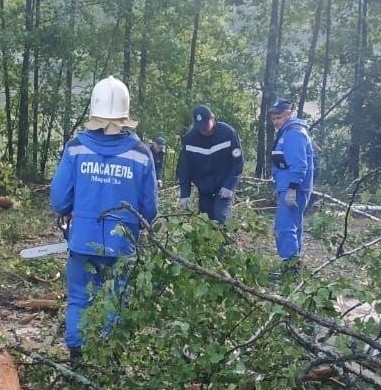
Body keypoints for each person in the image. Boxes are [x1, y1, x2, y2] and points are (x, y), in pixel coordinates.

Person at [49, 76, 158, 362]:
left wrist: (74, 209)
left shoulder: (76, 149)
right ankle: (109, 358)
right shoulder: (141, 154)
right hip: (122, 243)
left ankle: (77, 353)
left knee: (79, 298)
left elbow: (59, 199)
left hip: (82, 239)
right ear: (124, 114)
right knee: (115, 298)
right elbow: (149, 209)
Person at [268, 100, 315, 272]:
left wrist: (292, 189)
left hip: (294, 188)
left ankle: (290, 268)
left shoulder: (294, 133)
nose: (276, 122)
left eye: (279, 117)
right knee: (293, 225)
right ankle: (293, 266)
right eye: (273, 118)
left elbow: (299, 164)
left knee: (284, 227)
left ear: (289, 113)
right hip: (287, 187)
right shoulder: (285, 132)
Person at [176, 104, 243, 223]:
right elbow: (184, 169)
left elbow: (237, 162)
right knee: (205, 221)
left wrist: (229, 185)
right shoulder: (189, 139)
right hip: (204, 187)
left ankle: (225, 240)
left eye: (206, 126)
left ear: (212, 119)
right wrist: (185, 194)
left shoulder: (228, 133)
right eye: (200, 127)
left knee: (221, 216)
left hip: (223, 185)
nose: (203, 130)